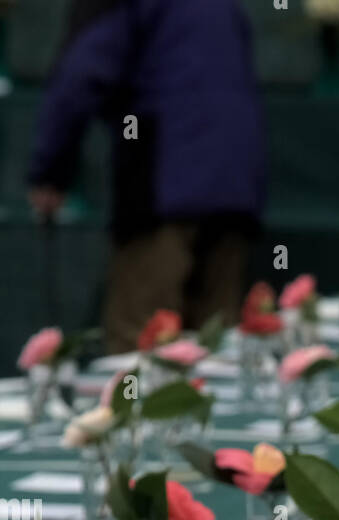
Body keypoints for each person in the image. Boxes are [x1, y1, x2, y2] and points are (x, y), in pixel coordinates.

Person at [27, 0, 267, 350]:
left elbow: (80, 77)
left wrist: (50, 172)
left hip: (163, 185)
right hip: (236, 187)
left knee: (140, 349)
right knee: (216, 350)